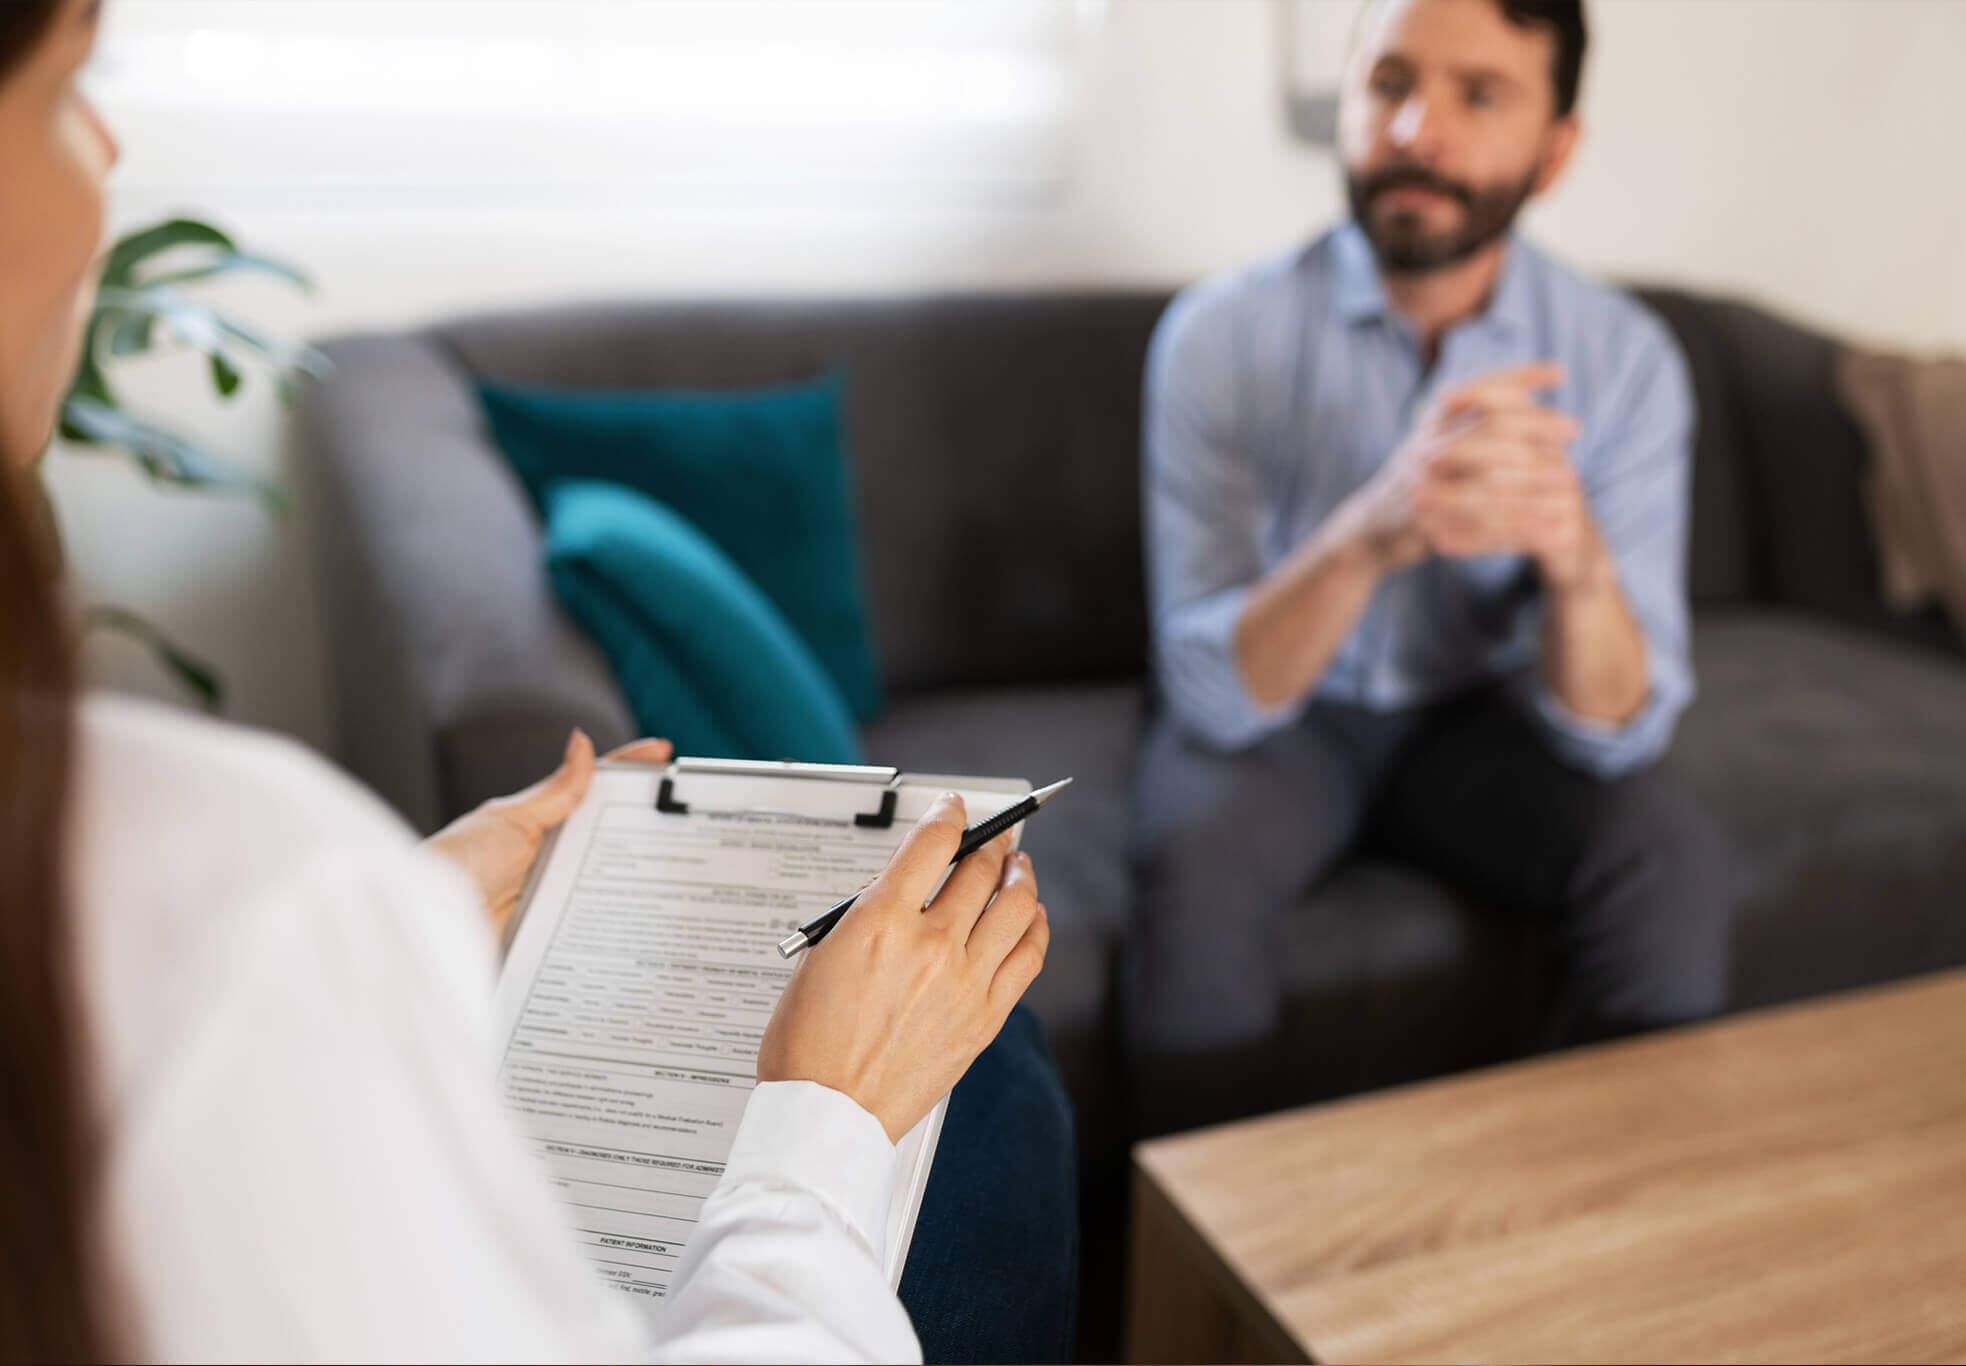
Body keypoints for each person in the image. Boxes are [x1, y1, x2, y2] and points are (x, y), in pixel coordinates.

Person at [0, 0, 1070, 1359]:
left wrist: (411, 904)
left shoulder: (226, 897)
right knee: (989, 1084)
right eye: (58, 95)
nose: (100, 153)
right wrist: (827, 1118)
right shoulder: (208, 878)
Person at [1127, 0, 1732, 1131]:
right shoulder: (1216, 336)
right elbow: (1212, 693)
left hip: (1477, 717)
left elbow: (1620, 728)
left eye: (1478, 94)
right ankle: (1196, 1278)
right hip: (1284, 722)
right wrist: (1372, 529)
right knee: (1193, 875)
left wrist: (1576, 562)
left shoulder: (1623, 361)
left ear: (1555, 150)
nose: (1416, 129)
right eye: (1388, 83)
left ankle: (1589, 1229)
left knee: (1666, 858)